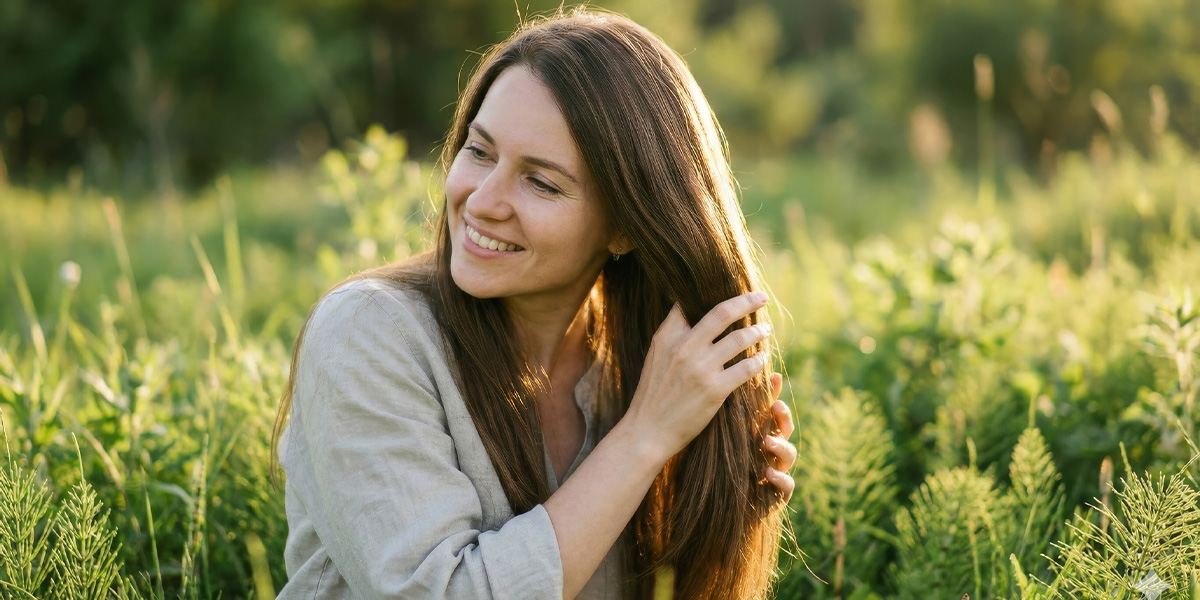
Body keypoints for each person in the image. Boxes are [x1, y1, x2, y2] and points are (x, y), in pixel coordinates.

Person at [271, 8, 798, 600]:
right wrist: (644, 438)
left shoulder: (647, 371)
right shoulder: (367, 334)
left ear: (627, 227)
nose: (483, 200)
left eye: (540, 182)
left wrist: (715, 495)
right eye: (479, 151)